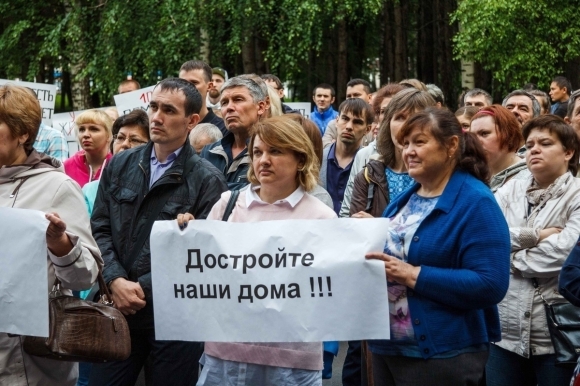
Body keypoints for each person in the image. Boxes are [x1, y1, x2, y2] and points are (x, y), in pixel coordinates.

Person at [176, 115, 337, 386]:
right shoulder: (228, 204)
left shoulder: (321, 217)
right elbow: (204, 274)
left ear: (300, 159)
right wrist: (187, 237)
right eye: (258, 152)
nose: (263, 160)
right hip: (226, 356)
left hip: (290, 362)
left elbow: (329, 293)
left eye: (275, 151)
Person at [89, 78, 228, 386]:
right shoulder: (121, 164)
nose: (156, 117)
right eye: (153, 106)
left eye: (168, 110)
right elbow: (98, 226)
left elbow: (205, 254)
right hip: (117, 310)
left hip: (175, 321)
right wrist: (114, 280)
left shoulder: (208, 180)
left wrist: (139, 289)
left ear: (192, 121)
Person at [366, 108, 510, 385]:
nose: (409, 151)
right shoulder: (408, 197)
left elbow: (490, 283)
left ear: (451, 145)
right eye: (405, 143)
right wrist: (368, 232)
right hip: (388, 349)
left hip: (443, 354)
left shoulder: (475, 201)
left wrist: (412, 275)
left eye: (419, 142)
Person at [0, 84, 102, 386]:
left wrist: (61, 245)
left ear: (23, 133)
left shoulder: (55, 186)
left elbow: (85, 277)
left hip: (28, 362)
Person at [487, 115, 580, 386]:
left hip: (556, 336)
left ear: (568, 152)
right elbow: (486, 237)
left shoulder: (577, 195)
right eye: (529, 145)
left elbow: (564, 254)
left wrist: (507, 257)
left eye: (545, 143)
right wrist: (536, 236)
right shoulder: (508, 191)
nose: (534, 149)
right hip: (504, 335)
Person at [339, 88, 436, 218]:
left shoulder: (439, 176)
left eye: (415, 118)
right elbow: (356, 229)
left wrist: (379, 225)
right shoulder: (369, 174)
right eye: (400, 117)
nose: (406, 126)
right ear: (388, 123)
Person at [200, 76, 267, 190]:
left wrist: (210, 189)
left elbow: (264, 194)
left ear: (260, 107)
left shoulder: (270, 153)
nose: (229, 108)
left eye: (238, 99)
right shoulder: (209, 151)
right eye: (224, 102)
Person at [83, 109, 150, 216]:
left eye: (135, 140)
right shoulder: (90, 190)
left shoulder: (154, 190)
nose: (125, 144)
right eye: (120, 138)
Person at [320, 98, 373, 214]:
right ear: (337, 121)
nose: (349, 126)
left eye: (357, 122)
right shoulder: (317, 160)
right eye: (345, 119)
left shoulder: (372, 165)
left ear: (367, 129)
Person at [469, 105, 529, 192]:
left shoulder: (530, 178)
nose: (476, 141)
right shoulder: (470, 176)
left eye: (484, 133)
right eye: (473, 136)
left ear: (509, 135)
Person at [63, 109, 113, 187]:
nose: (85, 134)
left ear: (109, 135)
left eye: (94, 129)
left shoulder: (118, 165)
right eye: (82, 129)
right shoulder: (67, 166)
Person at [322, 79, 374, 148]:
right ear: (337, 120)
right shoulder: (333, 125)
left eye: (356, 95)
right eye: (349, 96)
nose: (352, 99)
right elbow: (325, 147)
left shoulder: (376, 127)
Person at [179, 60, 227, 135]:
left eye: (194, 82)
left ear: (209, 86)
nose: (186, 87)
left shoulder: (223, 129)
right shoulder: (171, 125)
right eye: (182, 83)